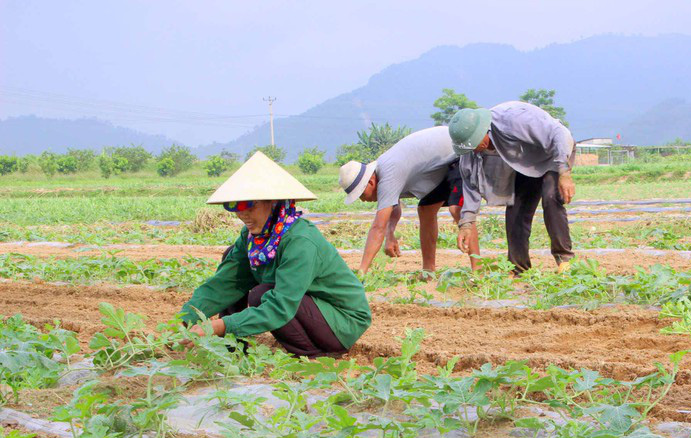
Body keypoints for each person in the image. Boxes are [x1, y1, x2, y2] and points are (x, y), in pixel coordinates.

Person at [179, 151, 371, 357]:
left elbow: (281, 306)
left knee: (262, 296)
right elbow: (226, 282)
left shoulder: (300, 242)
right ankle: (233, 347)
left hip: (342, 321)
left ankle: (314, 355)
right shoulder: (252, 236)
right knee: (232, 258)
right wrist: (186, 318)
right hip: (309, 306)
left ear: (273, 202)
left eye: (248, 205)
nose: (241, 213)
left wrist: (218, 326)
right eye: (233, 205)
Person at [449, 101, 576, 273]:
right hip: (525, 164)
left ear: (483, 130)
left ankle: (564, 260)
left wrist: (564, 172)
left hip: (554, 154)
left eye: (476, 142)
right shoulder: (471, 152)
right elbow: (471, 187)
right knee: (516, 210)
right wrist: (466, 223)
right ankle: (518, 268)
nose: (475, 149)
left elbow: (559, 133)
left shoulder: (513, 119)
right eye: (470, 146)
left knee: (551, 197)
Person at [339, 126, 480, 275]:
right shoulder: (384, 173)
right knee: (425, 210)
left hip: (460, 153)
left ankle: (478, 271)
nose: (362, 200)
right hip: (440, 166)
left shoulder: (388, 173)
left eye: (361, 194)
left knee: (457, 210)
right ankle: (428, 271)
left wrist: (362, 270)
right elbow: (394, 206)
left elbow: (377, 227)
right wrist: (390, 233)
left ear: (370, 182)